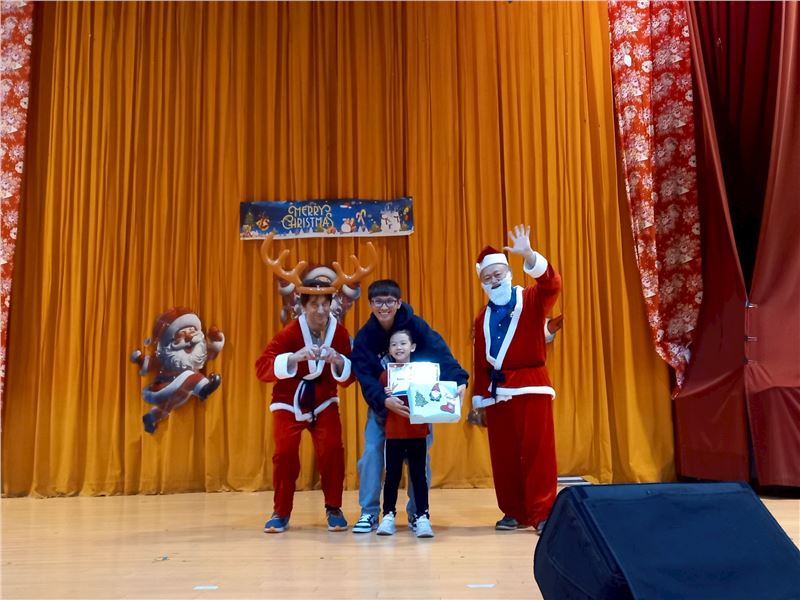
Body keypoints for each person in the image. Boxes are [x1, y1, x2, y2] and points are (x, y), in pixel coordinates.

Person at [350, 279, 469, 533]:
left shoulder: (416, 327)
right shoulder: (365, 338)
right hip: (383, 409)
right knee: (371, 454)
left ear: (398, 303)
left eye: (389, 301)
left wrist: (459, 380)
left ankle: (418, 513)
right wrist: (383, 400)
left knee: (419, 462)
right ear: (370, 304)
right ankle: (369, 513)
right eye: (378, 302)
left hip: (418, 409)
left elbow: (440, 353)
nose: (384, 307)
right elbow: (365, 376)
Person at [471, 224, 562, 533]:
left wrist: (530, 255)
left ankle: (542, 512)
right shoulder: (481, 318)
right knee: (503, 455)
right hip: (497, 392)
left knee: (538, 453)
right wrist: (480, 398)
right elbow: (480, 362)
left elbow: (552, 285)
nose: (494, 280)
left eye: (498, 274)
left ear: (509, 273)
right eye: (487, 277)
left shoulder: (531, 299)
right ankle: (513, 511)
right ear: (482, 283)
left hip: (531, 386)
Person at [255, 278, 354, 533]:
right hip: (289, 398)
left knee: (332, 449)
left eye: (325, 304)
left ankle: (334, 508)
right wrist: (293, 358)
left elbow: (349, 377)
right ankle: (280, 512)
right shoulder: (289, 333)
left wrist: (338, 360)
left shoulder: (339, 334)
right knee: (285, 453)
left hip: (324, 398)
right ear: (303, 306)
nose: (321, 310)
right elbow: (262, 368)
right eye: (314, 304)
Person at [375, 330, 434, 538]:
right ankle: (388, 515)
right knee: (392, 476)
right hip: (394, 434)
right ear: (389, 350)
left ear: (412, 347)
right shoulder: (386, 375)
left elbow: (433, 396)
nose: (398, 347)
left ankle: (422, 516)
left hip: (418, 432)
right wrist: (385, 394)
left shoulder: (424, 373)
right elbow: (379, 402)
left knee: (419, 476)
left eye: (403, 343)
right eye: (394, 344)